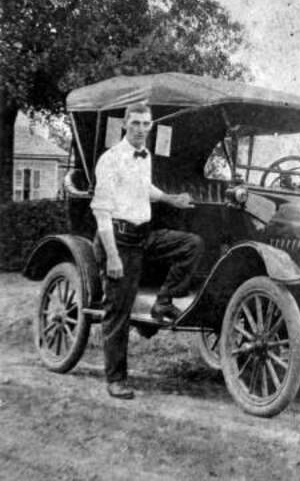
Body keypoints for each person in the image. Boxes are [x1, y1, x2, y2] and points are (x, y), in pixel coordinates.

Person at [91, 103, 205, 399]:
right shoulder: (110, 159)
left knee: (191, 244)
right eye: (136, 123)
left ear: (152, 126)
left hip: (144, 236)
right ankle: (115, 380)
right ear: (125, 125)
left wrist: (171, 199)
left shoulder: (145, 157)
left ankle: (163, 302)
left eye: (146, 124)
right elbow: (101, 212)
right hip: (118, 240)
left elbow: (146, 189)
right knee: (118, 310)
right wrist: (113, 256)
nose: (141, 129)